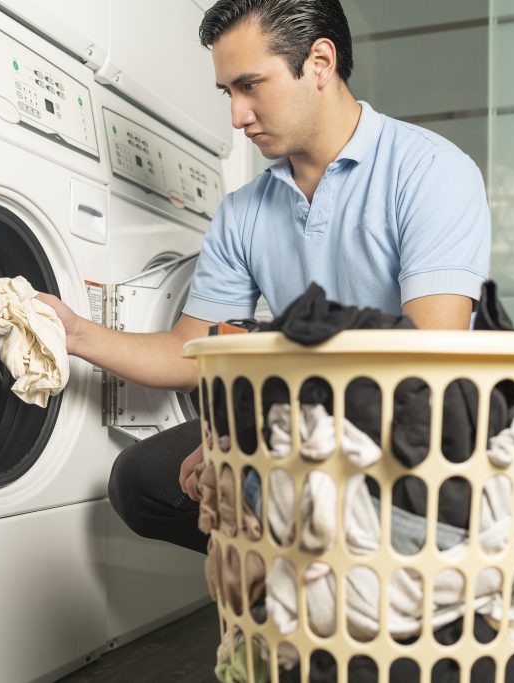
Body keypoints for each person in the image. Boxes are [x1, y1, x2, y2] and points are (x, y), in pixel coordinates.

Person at [37, 0, 490, 555]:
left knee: (274, 477)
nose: (237, 115)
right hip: (303, 419)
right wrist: (76, 333)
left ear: (320, 62)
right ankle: (298, 589)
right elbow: (190, 350)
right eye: (228, 91)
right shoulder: (244, 211)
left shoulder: (430, 172)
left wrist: (253, 442)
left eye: (251, 85)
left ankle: (354, 595)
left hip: (414, 429)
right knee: (141, 482)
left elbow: (426, 361)